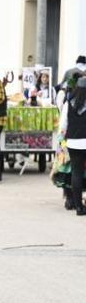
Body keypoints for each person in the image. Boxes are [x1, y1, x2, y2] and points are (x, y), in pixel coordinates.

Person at [61, 77, 86, 215]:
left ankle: (78, 207)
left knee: (76, 173)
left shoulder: (69, 103)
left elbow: (63, 125)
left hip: (73, 142)